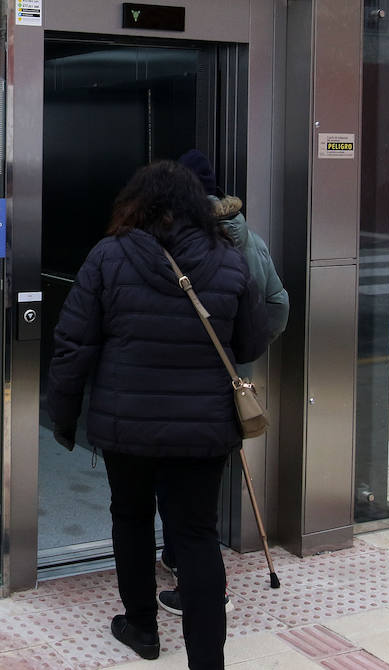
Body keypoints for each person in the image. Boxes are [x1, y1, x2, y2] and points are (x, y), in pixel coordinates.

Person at [46, 161, 267, 667]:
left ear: (136, 204)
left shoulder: (108, 256)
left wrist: (63, 415)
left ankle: (142, 627)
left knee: (131, 518)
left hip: (128, 426)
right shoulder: (229, 260)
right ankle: (207, 662)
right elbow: (252, 341)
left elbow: (72, 345)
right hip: (204, 428)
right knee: (196, 535)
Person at [153, 150, 292, 616]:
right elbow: (278, 305)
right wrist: (242, 353)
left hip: (183, 382)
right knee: (204, 481)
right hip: (229, 382)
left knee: (180, 484)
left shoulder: (178, 239)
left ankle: (203, 585)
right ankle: (178, 557)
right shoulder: (251, 240)